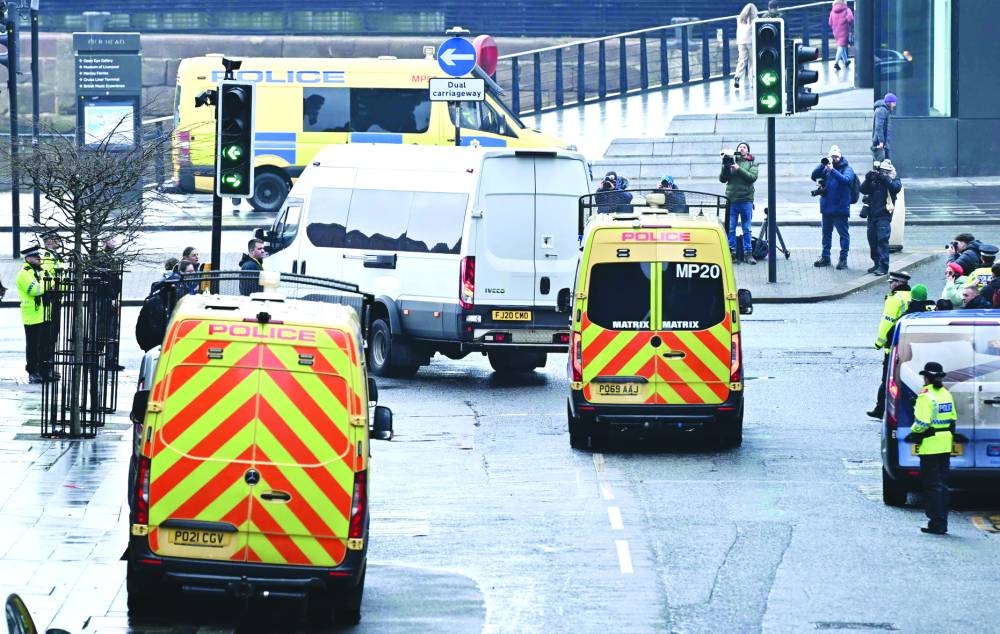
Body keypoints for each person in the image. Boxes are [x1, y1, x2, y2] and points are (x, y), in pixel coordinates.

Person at [903, 361, 957, 535]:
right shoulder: (945, 394)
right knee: (942, 484)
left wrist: (913, 432)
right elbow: (953, 418)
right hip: (945, 444)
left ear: (926, 378)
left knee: (932, 485)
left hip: (930, 445)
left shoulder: (925, 396)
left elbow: (922, 423)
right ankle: (942, 521)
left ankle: (936, 522)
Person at [868, 270, 911, 419]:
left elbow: (887, 323)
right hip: (908, 345)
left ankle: (880, 409)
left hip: (892, 346)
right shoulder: (910, 296)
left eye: (892, 282)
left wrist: (879, 343)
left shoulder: (894, 299)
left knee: (887, 379)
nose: (890, 285)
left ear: (898, 283)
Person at [811, 145, 855, 269]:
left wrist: (832, 170)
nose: (834, 159)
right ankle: (825, 257)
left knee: (843, 235)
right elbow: (813, 175)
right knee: (826, 234)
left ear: (840, 157)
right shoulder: (826, 168)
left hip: (840, 208)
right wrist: (823, 164)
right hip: (827, 207)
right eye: (832, 156)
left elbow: (846, 180)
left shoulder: (847, 169)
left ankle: (843, 259)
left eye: (836, 157)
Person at [860, 159, 902, 276]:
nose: (883, 173)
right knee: (872, 241)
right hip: (872, 215)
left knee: (882, 241)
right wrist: (868, 178)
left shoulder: (894, 179)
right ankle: (877, 263)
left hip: (884, 216)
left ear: (890, 171)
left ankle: (883, 267)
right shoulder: (875, 179)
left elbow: (895, 188)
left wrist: (885, 178)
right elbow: (862, 189)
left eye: (885, 171)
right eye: (882, 171)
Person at [719, 142, 759, 265]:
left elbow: (752, 177)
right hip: (732, 200)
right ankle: (732, 253)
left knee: (747, 229)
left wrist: (738, 168)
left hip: (746, 200)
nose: (741, 148)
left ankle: (748, 254)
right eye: (740, 147)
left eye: (744, 147)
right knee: (731, 228)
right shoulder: (731, 160)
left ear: (748, 151)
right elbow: (722, 179)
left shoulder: (752, 163)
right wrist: (725, 165)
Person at [16, 246, 50, 384]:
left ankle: (41, 370)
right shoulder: (23, 274)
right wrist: (48, 283)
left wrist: (46, 283)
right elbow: (36, 290)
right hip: (31, 315)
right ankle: (32, 371)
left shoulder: (38, 271)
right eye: (36, 257)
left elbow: (47, 283)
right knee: (33, 346)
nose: (39, 259)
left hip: (41, 313)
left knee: (42, 344)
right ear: (28, 259)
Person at [733, 3, 758, 88]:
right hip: (750, 42)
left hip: (740, 42)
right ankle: (752, 82)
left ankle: (737, 76)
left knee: (742, 60)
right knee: (752, 62)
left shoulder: (739, 18)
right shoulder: (755, 19)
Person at [828, 0, 855, 71]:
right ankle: (836, 63)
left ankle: (846, 61)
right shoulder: (847, 9)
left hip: (836, 31)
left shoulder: (832, 11)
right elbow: (851, 19)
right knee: (841, 46)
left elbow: (830, 22)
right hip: (844, 30)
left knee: (841, 46)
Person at [872, 93, 897, 161]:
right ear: (889, 102)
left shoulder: (884, 110)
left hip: (882, 142)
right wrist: (881, 142)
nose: (895, 105)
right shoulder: (882, 110)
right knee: (881, 163)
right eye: (894, 102)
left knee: (884, 163)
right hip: (880, 143)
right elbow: (879, 127)